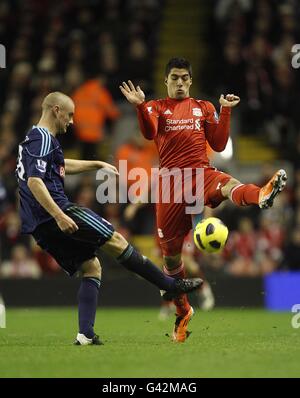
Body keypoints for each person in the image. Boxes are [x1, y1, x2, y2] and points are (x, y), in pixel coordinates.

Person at [120, 57, 287, 342]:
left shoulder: (204, 107)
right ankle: (183, 312)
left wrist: (225, 111)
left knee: (229, 184)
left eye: (185, 77)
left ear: (191, 80)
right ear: (166, 81)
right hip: (171, 186)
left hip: (200, 174)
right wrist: (138, 105)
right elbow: (148, 133)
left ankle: (261, 195)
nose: (180, 83)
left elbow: (219, 143)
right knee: (171, 260)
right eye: (175, 78)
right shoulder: (156, 107)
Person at [15, 91, 202, 346]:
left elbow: (59, 165)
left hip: (38, 224)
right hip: (56, 211)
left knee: (91, 267)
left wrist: (96, 164)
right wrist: (59, 215)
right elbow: (35, 181)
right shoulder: (43, 138)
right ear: (56, 110)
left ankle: (85, 334)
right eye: (69, 115)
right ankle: (168, 284)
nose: (71, 122)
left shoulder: (35, 140)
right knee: (114, 238)